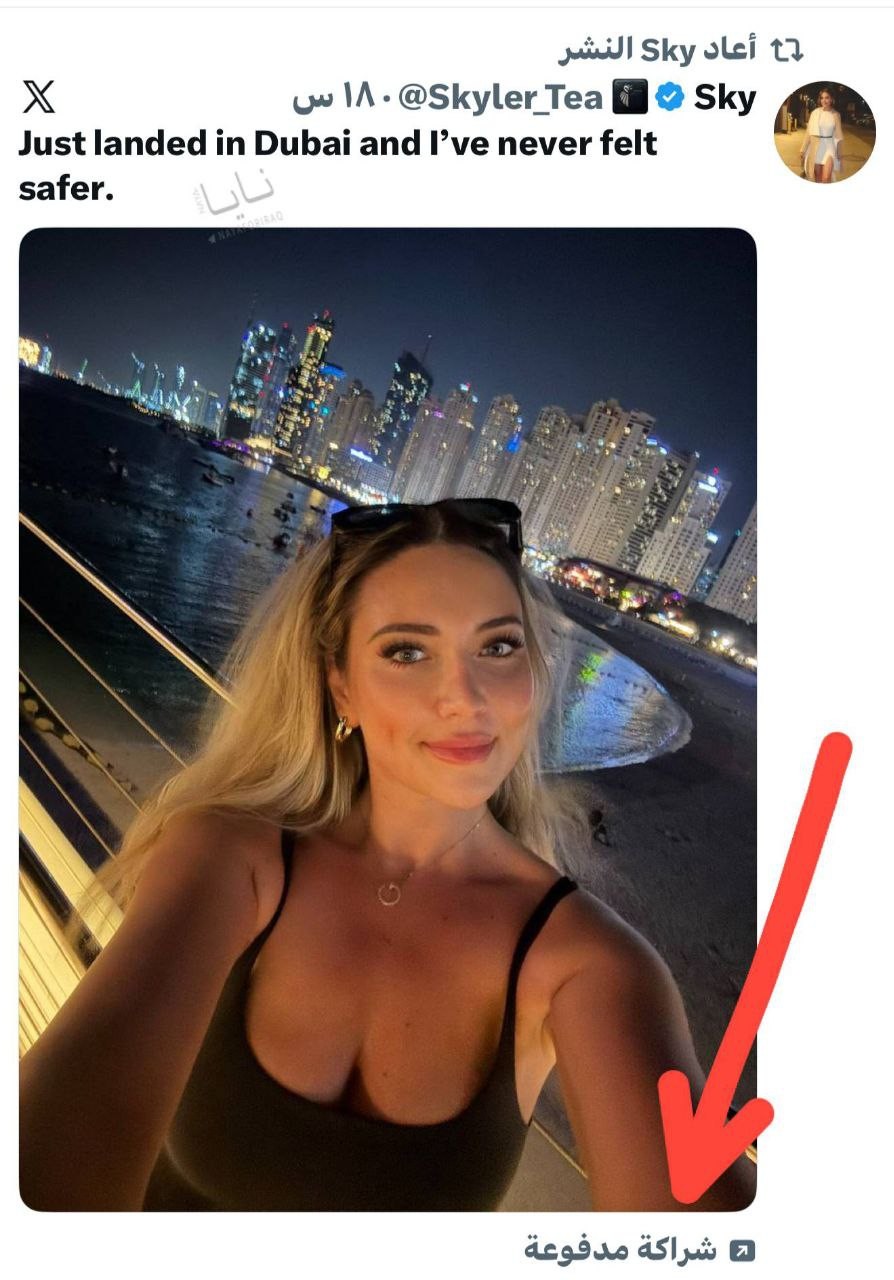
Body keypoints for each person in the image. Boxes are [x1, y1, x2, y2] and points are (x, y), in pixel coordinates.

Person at [19, 498, 756, 1212]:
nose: (465, 697)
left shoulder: (589, 965)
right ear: (340, 687)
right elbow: (73, 1126)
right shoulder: (228, 856)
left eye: (498, 646)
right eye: (407, 651)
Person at [801, 88, 845, 182]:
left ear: (831, 99)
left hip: (829, 147)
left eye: (827, 98)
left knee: (826, 178)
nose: (824, 100)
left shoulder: (836, 115)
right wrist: (803, 150)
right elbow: (808, 132)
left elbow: (839, 136)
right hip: (817, 147)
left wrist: (840, 154)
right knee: (817, 177)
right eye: (822, 98)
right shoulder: (815, 113)